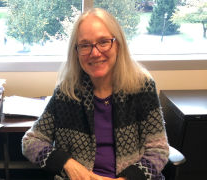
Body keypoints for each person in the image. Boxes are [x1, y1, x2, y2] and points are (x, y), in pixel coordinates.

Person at [22, 8, 169, 180]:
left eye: (103, 42)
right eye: (85, 45)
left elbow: (158, 150)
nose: (95, 52)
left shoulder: (141, 87)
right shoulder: (67, 92)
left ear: (118, 44)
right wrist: (69, 164)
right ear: (76, 52)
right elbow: (30, 142)